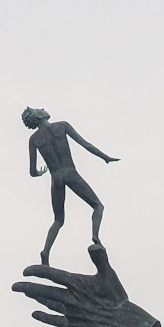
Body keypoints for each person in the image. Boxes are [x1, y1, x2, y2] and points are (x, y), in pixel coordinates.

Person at [22, 107, 119, 266]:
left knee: (58, 220)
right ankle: (95, 237)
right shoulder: (62, 126)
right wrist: (105, 157)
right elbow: (85, 144)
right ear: (38, 115)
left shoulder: (34, 140)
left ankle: (46, 251)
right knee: (98, 206)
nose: (43, 109)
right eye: (40, 109)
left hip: (56, 179)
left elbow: (32, 172)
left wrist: (40, 173)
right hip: (70, 173)